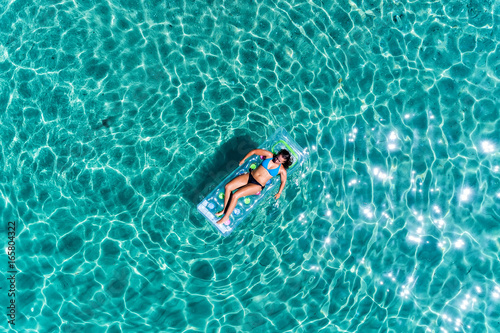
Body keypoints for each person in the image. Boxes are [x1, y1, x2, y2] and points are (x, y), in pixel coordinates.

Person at [216, 149, 293, 225]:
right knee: (228, 187)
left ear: (283, 162)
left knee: (235, 195)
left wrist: (279, 193)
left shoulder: (282, 170)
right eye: (277, 158)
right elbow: (254, 151)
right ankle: (225, 210)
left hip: (257, 185)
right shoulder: (269, 155)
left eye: (279, 161)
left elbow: (283, 181)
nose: (276, 161)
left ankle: (226, 217)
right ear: (278, 154)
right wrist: (243, 159)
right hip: (249, 176)